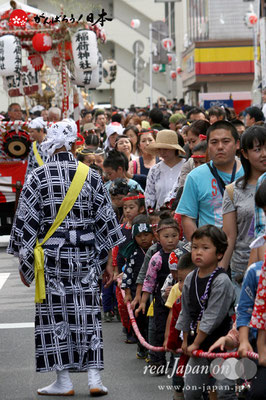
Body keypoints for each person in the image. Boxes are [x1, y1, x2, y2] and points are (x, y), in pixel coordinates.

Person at [7, 119, 125, 397]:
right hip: (85, 257)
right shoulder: (92, 175)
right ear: (74, 144)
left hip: (51, 261)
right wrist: (108, 262)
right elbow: (105, 223)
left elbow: (26, 224)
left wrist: (24, 264)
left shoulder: (38, 176)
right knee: (87, 314)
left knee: (55, 317)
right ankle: (94, 378)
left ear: (50, 143)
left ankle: (64, 381)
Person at [176, 225, 235, 400]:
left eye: (205, 248)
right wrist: (186, 341)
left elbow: (212, 317)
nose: (198, 252)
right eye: (195, 247)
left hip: (223, 345)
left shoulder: (222, 281)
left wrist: (195, 343)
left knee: (224, 390)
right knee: (192, 391)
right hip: (198, 344)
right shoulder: (190, 279)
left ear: (219, 253)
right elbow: (185, 311)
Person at [177, 120, 243, 241]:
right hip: (211, 251)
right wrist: (201, 248)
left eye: (226, 141)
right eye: (214, 142)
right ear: (207, 145)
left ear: (237, 144)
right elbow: (187, 218)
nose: (220, 147)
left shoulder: (250, 172)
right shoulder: (195, 176)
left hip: (245, 249)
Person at [221, 126, 266, 301]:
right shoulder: (233, 191)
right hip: (242, 271)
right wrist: (221, 271)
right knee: (244, 321)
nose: (264, 154)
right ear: (245, 154)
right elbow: (229, 236)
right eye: (257, 149)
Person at [136, 214, 181, 370]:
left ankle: (178, 361)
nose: (170, 240)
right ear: (158, 237)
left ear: (179, 235)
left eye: (174, 236)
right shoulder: (157, 258)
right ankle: (157, 360)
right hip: (160, 300)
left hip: (180, 300)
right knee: (158, 329)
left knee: (179, 329)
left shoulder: (185, 255)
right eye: (166, 236)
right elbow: (148, 282)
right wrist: (143, 302)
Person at [144, 130, 186, 211]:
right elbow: (149, 196)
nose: (162, 152)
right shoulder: (154, 170)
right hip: (160, 217)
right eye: (160, 149)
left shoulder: (187, 167)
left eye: (166, 149)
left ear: (174, 149)